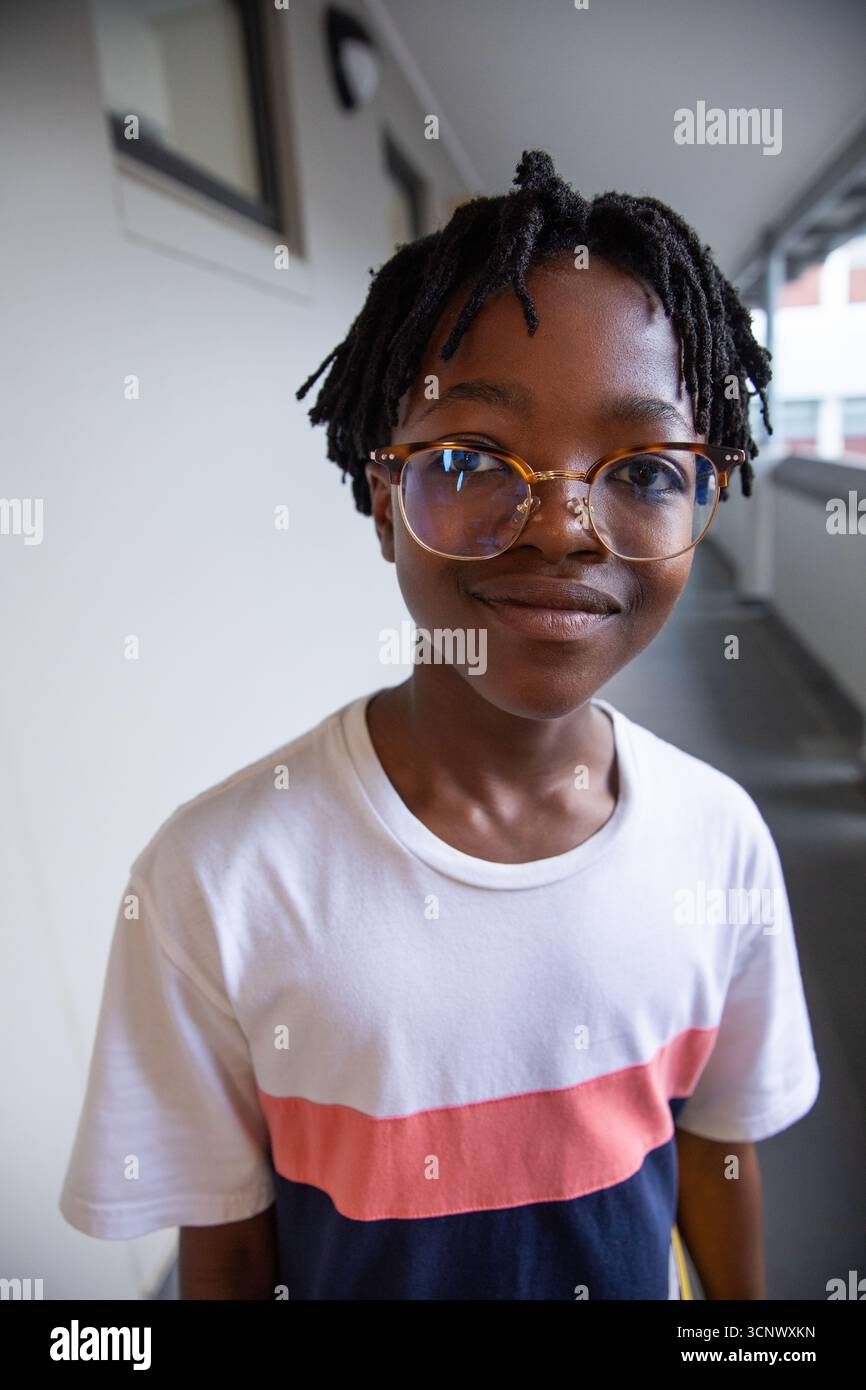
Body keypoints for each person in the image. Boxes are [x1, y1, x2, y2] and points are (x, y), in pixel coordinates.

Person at [59, 149, 820, 1300]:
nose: (562, 526)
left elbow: (716, 1149)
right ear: (384, 500)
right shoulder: (216, 879)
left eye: (643, 472)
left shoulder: (719, 843)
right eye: (471, 459)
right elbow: (228, 1251)